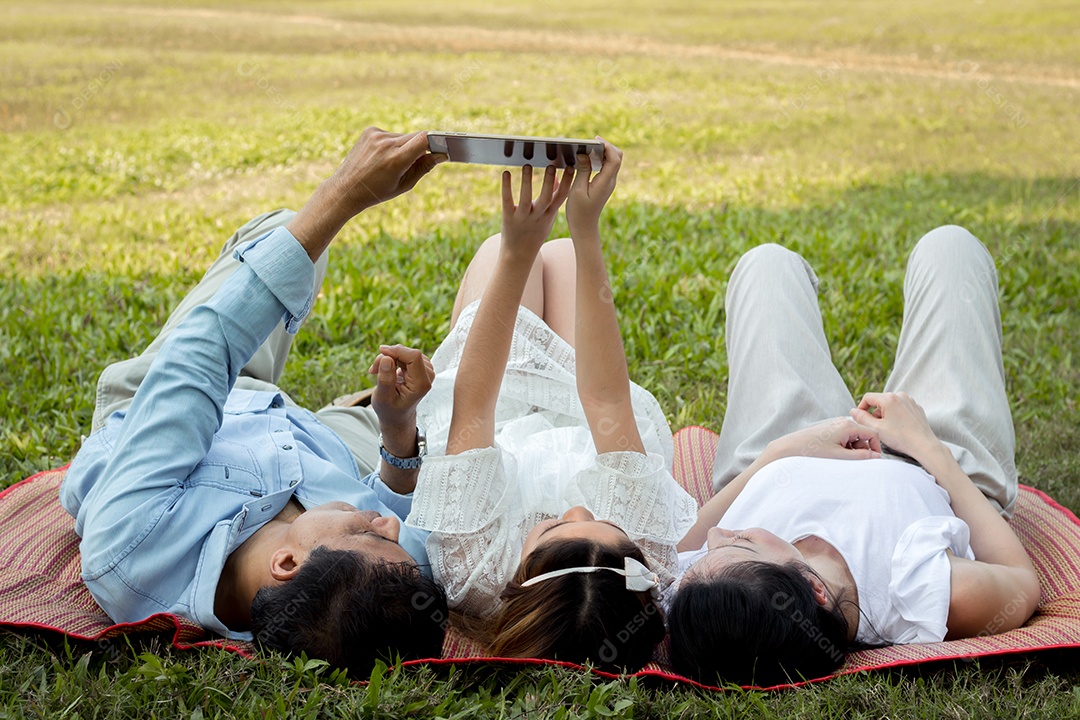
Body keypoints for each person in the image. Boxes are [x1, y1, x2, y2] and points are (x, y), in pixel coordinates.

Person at [60, 128, 450, 677]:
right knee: (455, 414)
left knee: (285, 233)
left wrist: (345, 193)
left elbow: (202, 354)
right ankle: (364, 409)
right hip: (309, 436)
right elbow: (400, 509)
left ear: (286, 563)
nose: (390, 527)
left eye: (369, 532)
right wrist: (398, 430)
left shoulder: (135, 545)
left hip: (170, 400)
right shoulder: (378, 576)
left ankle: (354, 404)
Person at [667, 229, 1041, 687]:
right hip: (935, 470)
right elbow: (1020, 581)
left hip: (781, 453)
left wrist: (779, 452)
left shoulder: (709, 594)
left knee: (766, 266)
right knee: (951, 250)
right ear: (815, 589)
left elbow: (675, 550)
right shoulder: (916, 590)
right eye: (741, 541)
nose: (716, 533)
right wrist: (927, 445)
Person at [399, 142, 698, 672]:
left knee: (502, 249)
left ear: (515, 579)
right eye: (601, 521)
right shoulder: (646, 558)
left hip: (495, 414)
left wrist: (517, 252)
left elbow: (475, 405)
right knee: (564, 255)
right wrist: (587, 229)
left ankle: (514, 253)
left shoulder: (476, 572)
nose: (576, 510)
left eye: (556, 527)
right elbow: (606, 398)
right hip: (588, 423)